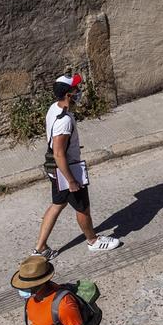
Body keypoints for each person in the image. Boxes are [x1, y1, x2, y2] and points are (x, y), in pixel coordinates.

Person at [32, 74, 121, 259]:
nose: (79, 92)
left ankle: (39, 248)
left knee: (58, 204)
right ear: (68, 94)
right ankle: (93, 241)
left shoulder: (54, 108)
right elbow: (59, 153)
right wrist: (71, 180)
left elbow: (57, 148)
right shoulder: (64, 121)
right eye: (75, 90)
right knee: (83, 208)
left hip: (54, 168)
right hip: (68, 169)